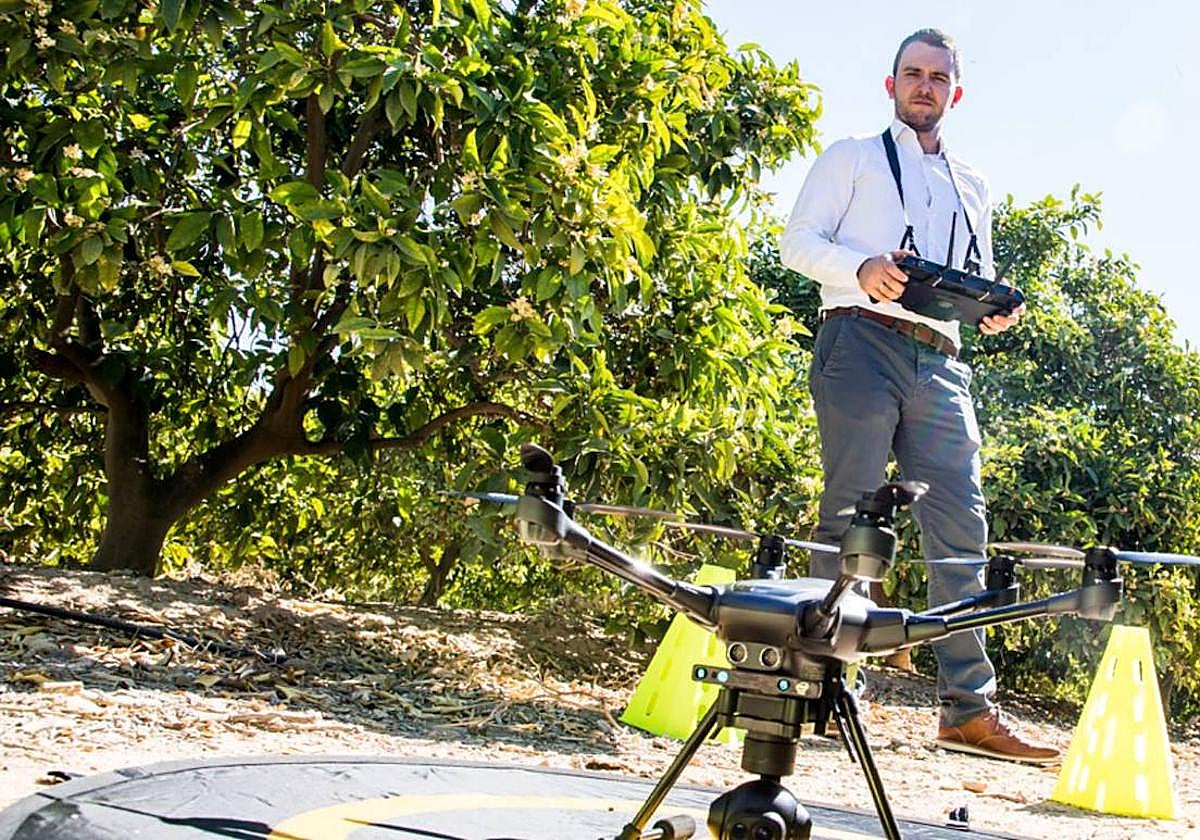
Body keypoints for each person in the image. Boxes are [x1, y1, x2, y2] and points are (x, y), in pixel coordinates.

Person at [779, 28, 1057, 764]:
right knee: (850, 514)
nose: (924, 85)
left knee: (962, 526)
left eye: (938, 76)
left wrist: (994, 308)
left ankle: (968, 711)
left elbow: (974, 274)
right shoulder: (853, 157)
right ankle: (826, 689)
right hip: (859, 337)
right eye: (912, 73)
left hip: (942, 361)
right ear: (891, 84)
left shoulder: (974, 185)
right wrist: (862, 265)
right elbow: (796, 242)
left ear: (955, 93)